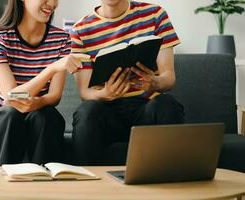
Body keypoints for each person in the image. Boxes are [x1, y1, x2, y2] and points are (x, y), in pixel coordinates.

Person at [0, 0, 89, 167]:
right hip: (0, 111)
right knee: (11, 114)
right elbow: (11, 97)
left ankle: (43, 188)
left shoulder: (62, 39)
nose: (52, 3)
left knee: (46, 117)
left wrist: (37, 103)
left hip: (39, 112)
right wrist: (51, 69)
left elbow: (54, 96)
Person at [70, 0, 185, 165]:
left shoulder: (155, 14)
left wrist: (155, 82)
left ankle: (174, 181)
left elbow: (169, 78)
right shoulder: (80, 29)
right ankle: (88, 186)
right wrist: (105, 94)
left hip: (146, 109)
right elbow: (85, 93)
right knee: (87, 111)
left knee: (166, 103)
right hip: (107, 112)